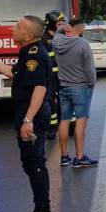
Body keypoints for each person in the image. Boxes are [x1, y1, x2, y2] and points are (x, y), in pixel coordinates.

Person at [0, 15, 56, 212]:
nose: (13, 29)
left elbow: (39, 89)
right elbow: (14, 74)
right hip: (29, 114)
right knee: (29, 162)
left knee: (35, 163)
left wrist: (28, 120)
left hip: (34, 116)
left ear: (29, 35)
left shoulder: (35, 55)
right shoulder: (27, 52)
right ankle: (39, 211)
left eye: (18, 27)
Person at [53, 17, 98, 168]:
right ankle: (79, 157)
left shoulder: (57, 42)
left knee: (64, 120)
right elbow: (90, 69)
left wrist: (64, 26)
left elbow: (59, 31)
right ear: (80, 27)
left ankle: (64, 156)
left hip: (63, 86)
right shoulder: (83, 44)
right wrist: (92, 83)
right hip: (81, 87)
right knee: (80, 120)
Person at [43, 10, 66, 140]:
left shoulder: (63, 38)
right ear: (52, 24)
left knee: (65, 101)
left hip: (63, 76)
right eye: (59, 23)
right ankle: (52, 128)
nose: (62, 25)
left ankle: (68, 126)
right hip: (50, 78)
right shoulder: (43, 40)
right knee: (50, 102)